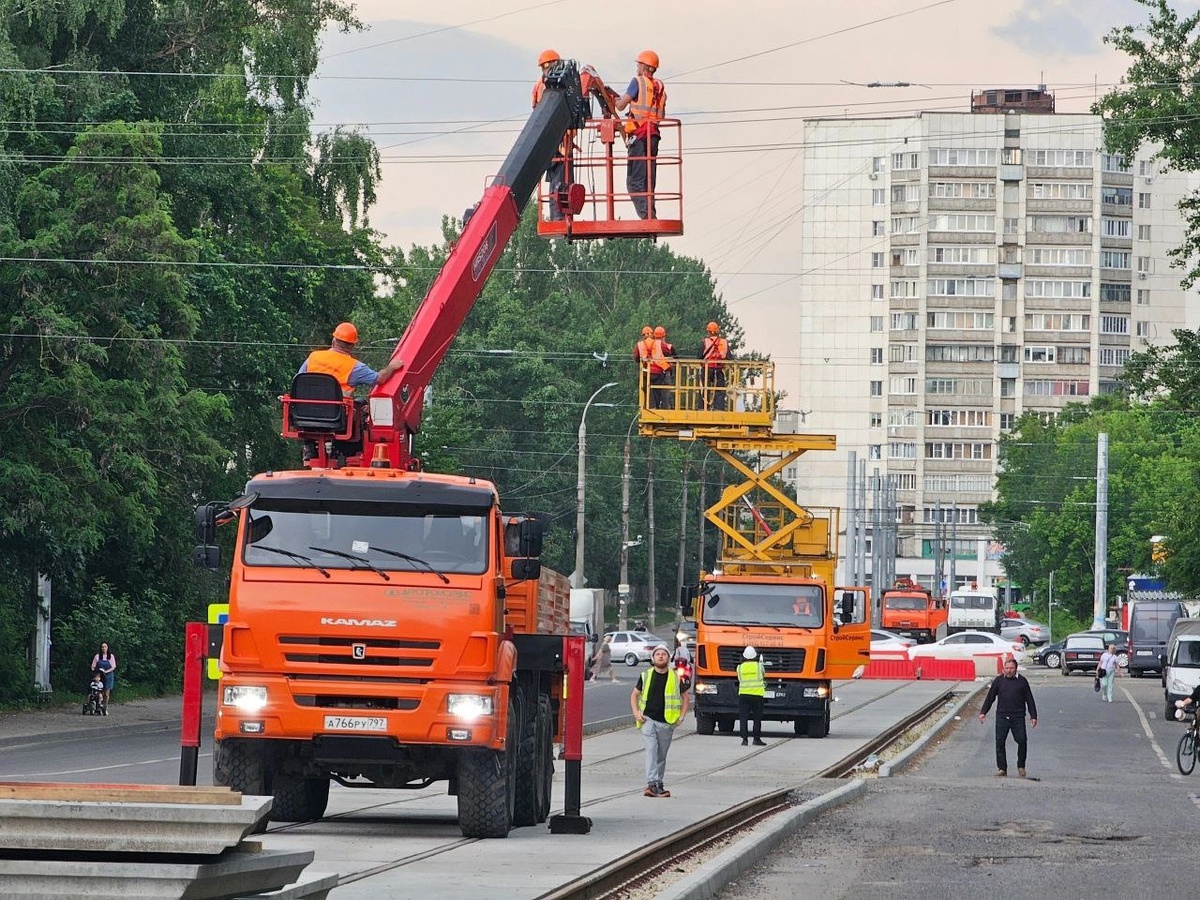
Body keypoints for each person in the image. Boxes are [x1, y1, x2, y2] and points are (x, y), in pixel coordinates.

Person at [631, 643, 689, 797]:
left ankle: (659, 783)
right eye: (658, 654)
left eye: (663, 654)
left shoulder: (675, 677)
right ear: (653, 658)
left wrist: (681, 716)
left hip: (667, 722)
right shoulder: (646, 675)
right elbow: (634, 695)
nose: (661, 656)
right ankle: (652, 783)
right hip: (648, 720)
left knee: (661, 755)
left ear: (668, 658)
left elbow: (685, 697)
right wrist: (636, 713)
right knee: (651, 749)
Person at [615, 50, 666, 219]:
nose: (637, 67)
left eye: (638, 64)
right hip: (653, 136)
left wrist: (613, 99)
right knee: (648, 180)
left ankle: (647, 217)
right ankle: (651, 214)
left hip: (639, 135)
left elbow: (621, 106)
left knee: (635, 183)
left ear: (643, 66)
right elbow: (661, 115)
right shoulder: (659, 87)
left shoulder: (637, 82)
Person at [298, 323, 403, 396]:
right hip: (336, 418)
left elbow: (298, 381)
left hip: (304, 413)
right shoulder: (355, 367)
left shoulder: (313, 357)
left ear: (333, 341)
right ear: (352, 346)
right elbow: (380, 379)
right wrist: (392, 367)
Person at [978, 657, 1038, 777]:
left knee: (1022, 741)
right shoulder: (998, 681)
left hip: (1018, 717)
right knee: (1000, 742)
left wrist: (1033, 716)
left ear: (1016, 668)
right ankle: (1002, 768)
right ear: (1003, 668)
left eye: (1011, 668)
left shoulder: (1022, 681)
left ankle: (1021, 766)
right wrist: (983, 712)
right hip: (1002, 716)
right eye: (1007, 668)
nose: (1009, 670)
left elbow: (1029, 699)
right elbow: (990, 697)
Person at [532, 49, 567, 221]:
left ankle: (558, 215)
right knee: (560, 181)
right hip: (554, 140)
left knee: (558, 180)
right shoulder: (551, 86)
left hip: (550, 140)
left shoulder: (542, 85)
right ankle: (559, 217)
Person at [737, 645, 767, 746]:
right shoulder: (759, 666)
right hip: (757, 695)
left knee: (743, 718)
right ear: (755, 656)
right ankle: (756, 739)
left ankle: (744, 739)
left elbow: (739, 679)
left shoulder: (739, 668)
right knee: (757, 718)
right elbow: (763, 675)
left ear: (744, 656)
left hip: (743, 695)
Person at [699, 322, 729, 410]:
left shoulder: (705, 342)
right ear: (717, 331)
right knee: (719, 390)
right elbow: (729, 357)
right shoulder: (724, 342)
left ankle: (703, 408)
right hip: (719, 369)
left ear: (708, 332)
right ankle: (718, 408)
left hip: (707, 368)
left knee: (704, 388)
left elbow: (699, 356)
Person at [649, 325, 674, 410]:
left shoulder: (650, 344)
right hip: (663, 371)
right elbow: (672, 356)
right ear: (663, 336)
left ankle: (654, 407)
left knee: (654, 391)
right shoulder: (664, 346)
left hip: (652, 372)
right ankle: (666, 407)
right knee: (665, 392)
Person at [91, 641, 117, 709]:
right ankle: (98, 705)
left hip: (108, 676)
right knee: (99, 692)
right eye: (102, 647)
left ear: (107, 648)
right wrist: (95, 672)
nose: (104, 648)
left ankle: (105, 706)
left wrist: (106, 671)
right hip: (99, 676)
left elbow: (113, 667)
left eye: (105, 647)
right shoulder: (97, 656)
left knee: (106, 693)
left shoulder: (111, 656)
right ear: (101, 648)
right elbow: (93, 666)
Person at [634, 326, 655, 407]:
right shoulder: (657, 343)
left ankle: (648, 405)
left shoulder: (639, 345)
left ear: (643, 336)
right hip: (658, 371)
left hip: (646, 371)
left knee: (646, 389)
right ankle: (657, 404)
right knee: (659, 389)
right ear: (652, 334)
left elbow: (636, 358)